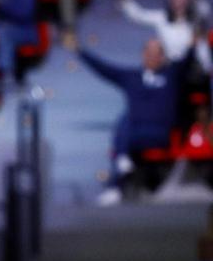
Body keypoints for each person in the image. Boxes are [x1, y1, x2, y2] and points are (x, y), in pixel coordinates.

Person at [69, 36, 189, 205]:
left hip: (160, 134)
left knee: (125, 123)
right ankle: (117, 178)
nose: (151, 56)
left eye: (156, 53)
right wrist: (79, 51)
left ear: (163, 57)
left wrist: (193, 43)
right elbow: (105, 70)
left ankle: (121, 162)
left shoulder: (172, 77)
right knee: (124, 121)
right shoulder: (132, 77)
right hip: (135, 133)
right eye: (148, 52)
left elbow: (187, 60)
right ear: (142, 55)